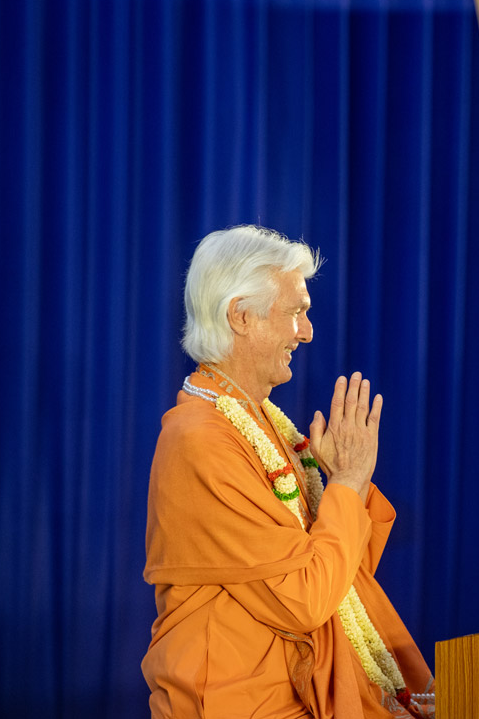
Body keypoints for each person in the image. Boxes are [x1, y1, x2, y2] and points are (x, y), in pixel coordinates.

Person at [142, 226, 433, 718]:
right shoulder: (200, 440)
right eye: (296, 312)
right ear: (241, 316)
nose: (307, 331)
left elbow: (343, 576)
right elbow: (306, 600)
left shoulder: (260, 422)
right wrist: (347, 483)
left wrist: (344, 483)